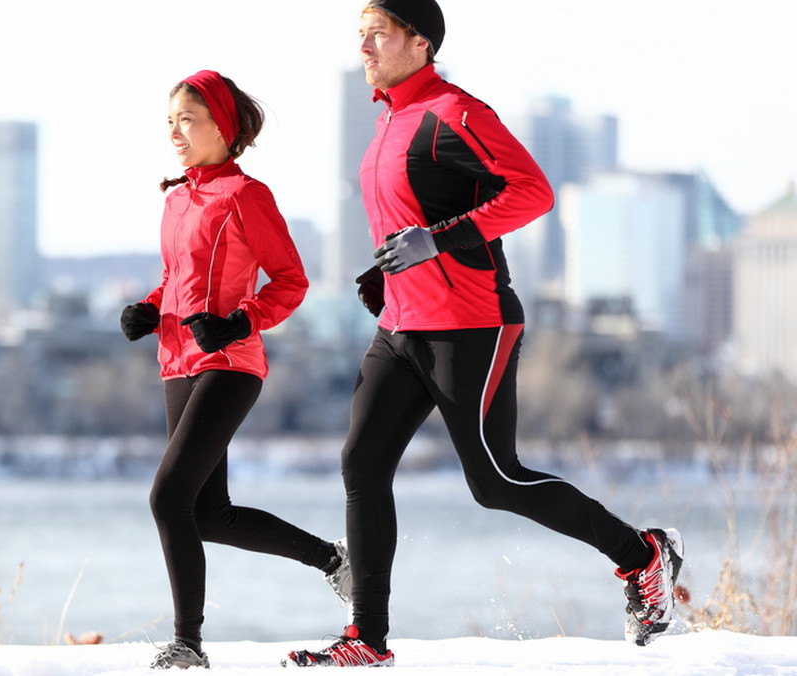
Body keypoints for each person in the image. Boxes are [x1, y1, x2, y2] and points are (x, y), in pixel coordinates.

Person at [285, 1, 684, 667]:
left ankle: (642, 554)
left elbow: (532, 193)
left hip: (471, 324)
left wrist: (434, 245)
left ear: (419, 41)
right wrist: (386, 271)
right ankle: (366, 640)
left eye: (377, 34)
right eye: (360, 36)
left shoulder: (455, 112)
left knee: (495, 480)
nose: (365, 48)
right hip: (401, 327)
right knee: (361, 463)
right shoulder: (388, 119)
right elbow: (415, 221)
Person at [121, 69, 350, 670]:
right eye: (169, 120)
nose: (175, 131)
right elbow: (177, 277)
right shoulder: (176, 199)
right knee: (208, 513)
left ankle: (187, 643)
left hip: (229, 361)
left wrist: (241, 321)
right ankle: (332, 559)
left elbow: (291, 281)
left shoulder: (248, 196)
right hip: (176, 361)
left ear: (222, 126)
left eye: (187, 119)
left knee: (169, 497)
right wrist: (149, 307)